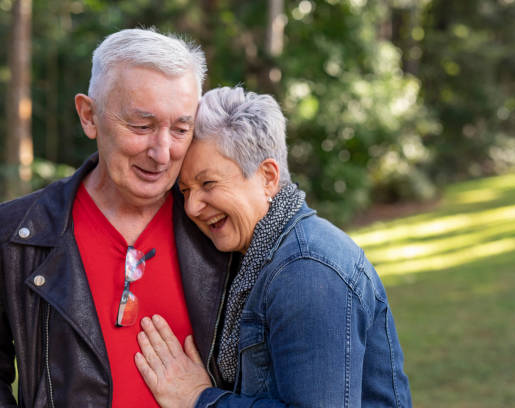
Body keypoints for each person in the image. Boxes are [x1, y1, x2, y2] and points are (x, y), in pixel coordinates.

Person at [134, 87, 412, 407]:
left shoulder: (306, 271)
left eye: (208, 183)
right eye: (185, 190)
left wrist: (200, 399)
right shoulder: (256, 257)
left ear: (267, 177)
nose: (193, 207)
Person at [0, 28, 234, 407]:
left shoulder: (222, 230)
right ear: (88, 116)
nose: (162, 153)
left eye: (180, 129)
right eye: (141, 126)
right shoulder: (15, 236)